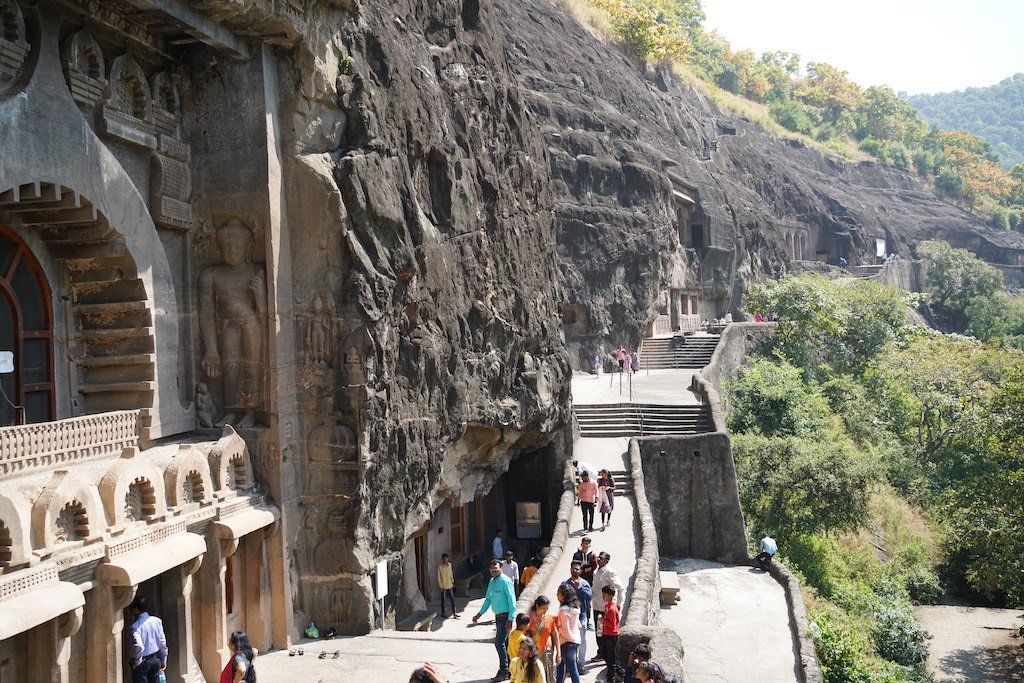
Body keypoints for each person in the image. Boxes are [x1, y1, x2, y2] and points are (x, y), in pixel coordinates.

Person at [473, 559, 518, 682]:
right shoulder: (492, 582)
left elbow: (512, 601)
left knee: (499, 643)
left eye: (496, 568)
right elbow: (488, 599)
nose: (493, 570)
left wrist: (510, 618)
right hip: (497, 617)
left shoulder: (506, 581)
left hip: (505, 617)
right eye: (492, 569)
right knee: (505, 644)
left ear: (501, 569)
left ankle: (504, 670)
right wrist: (479, 614)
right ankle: (509, 670)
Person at [128, 596, 167, 683]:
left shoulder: (135, 627)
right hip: (155, 659)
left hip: (142, 662)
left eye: (132, 609)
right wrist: (164, 659)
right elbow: (162, 642)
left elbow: (139, 646)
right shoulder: (157, 621)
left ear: (136, 609)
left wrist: (137, 662)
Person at [563, 560, 592, 673]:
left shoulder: (584, 583)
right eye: (573, 568)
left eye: (577, 569)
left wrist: (579, 588)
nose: (575, 571)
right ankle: (571, 663)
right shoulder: (565, 583)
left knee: (582, 640)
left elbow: (589, 597)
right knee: (570, 640)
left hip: (581, 616)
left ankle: (581, 662)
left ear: (580, 571)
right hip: (568, 618)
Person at [528, 596, 560, 683]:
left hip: (546, 651)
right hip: (533, 652)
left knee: (549, 675)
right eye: (543, 608)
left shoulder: (549, 618)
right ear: (537, 606)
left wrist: (558, 653)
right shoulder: (529, 617)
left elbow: (555, 635)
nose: (545, 611)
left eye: (547, 608)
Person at [555, 584, 582, 683]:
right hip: (574, 640)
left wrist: (557, 628)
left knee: (571, 668)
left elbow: (565, 629)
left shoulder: (564, 611)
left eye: (559, 594)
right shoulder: (575, 608)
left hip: (567, 642)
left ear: (564, 595)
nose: (557, 596)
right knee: (562, 666)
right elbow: (578, 625)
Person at [591, 552, 624, 632]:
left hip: (605, 608)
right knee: (599, 632)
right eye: (598, 557)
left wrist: (618, 604)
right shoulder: (596, 571)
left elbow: (620, 588)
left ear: (607, 561)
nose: (598, 559)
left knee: (606, 632)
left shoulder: (609, 572)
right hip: (596, 606)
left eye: (601, 558)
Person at [596, 586, 620, 678]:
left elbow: (613, 625)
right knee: (603, 653)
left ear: (610, 596)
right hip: (606, 634)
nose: (603, 596)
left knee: (611, 657)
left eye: (604, 595)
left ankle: (611, 676)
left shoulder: (612, 609)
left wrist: (602, 620)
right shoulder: (607, 607)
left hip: (611, 636)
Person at [438, 553, 460, 619]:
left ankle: (454, 612)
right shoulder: (440, 567)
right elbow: (439, 577)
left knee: (452, 599)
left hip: (449, 584)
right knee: (443, 600)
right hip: (443, 585)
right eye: (444, 559)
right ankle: (443, 613)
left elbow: (451, 573)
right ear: (442, 559)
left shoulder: (449, 565)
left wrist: (452, 581)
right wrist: (440, 586)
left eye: (446, 559)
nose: (446, 560)